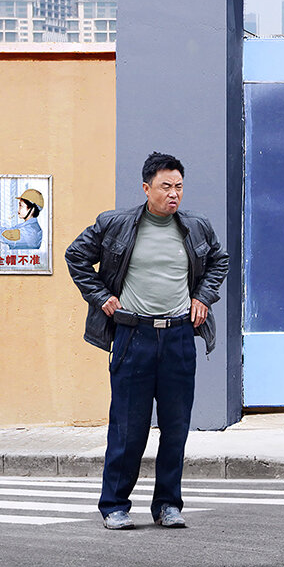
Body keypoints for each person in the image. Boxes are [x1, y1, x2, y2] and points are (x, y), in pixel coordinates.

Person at [65, 152, 228, 530]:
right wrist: (101, 296)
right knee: (128, 427)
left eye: (179, 187)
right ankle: (114, 505)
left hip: (178, 338)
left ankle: (168, 505)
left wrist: (202, 297)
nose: (173, 194)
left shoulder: (196, 228)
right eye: (165, 186)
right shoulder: (116, 224)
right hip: (132, 336)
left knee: (176, 427)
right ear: (146, 188)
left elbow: (219, 261)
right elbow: (76, 256)